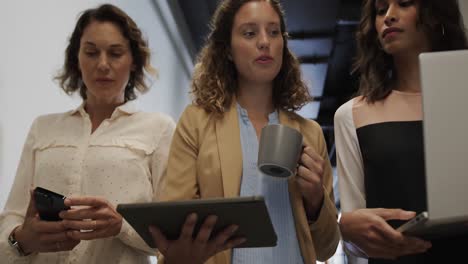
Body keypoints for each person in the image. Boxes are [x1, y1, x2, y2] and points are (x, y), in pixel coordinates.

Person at [150, 0, 340, 263]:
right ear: (227, 49)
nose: (265, 42)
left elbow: (326, 248)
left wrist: (316, 200)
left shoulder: (310, 133)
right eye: (250, 33)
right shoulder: (196, 122)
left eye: (274, 32)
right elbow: (174, 228)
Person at [0, 4, 176, 263]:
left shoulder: (159, 129)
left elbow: (174, 235)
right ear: (76, 59)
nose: (103, 64)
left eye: (115, 53)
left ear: (134, 61)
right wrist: (22, 238)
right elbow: (11, 217)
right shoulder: (42, 128)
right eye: (91, 52)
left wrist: (122, 227)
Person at [334, 0, 468, 263]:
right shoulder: (352, 115)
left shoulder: (462, 98)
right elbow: (355, 240)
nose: (389, 17)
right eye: (381, 10)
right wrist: (345, 227)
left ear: (435, 13)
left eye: (404, 4)